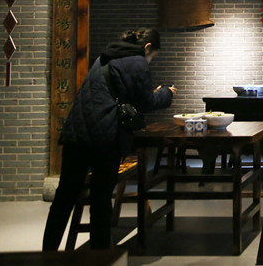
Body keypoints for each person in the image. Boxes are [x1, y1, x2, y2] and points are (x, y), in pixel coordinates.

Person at [43, 28, 175, 250]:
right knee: (101, 200)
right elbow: (146, 103)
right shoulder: (137, 62)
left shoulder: (104, 58)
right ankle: (100, 256)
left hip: (76, 133)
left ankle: (47, 254)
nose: (151, 60)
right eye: (153, 56)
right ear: (148, 48)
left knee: (64, 198)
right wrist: (167, 93)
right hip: (105, 138)